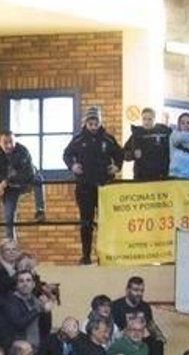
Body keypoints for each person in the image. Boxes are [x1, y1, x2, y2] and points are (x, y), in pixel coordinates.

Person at [63, 108, 123, 264]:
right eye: (91, 123)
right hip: (84, 187)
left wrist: (117, 166)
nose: (93, 126)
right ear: (86, 123)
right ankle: (86, 256)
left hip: (104, 187)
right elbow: (67, 154)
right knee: (86, 223)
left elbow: (119, 154)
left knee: (106, 223)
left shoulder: (108, 139)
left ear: (100, 122)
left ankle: (105, 256)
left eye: (96, 123)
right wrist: (72, 165)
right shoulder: (78, 140)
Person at [124, 107, 172, 182]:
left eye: (150, 119)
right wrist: (133, 154)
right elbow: (124, 153)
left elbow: (171, 152)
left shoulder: (164, 133)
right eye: (144, 119)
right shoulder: (136, 135)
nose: (146, 122)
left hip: (160, 177)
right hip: (141, 177)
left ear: (154, 119)